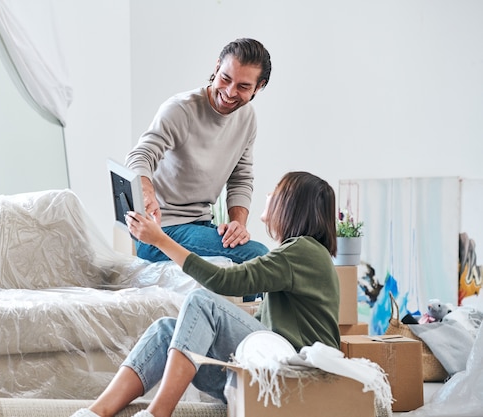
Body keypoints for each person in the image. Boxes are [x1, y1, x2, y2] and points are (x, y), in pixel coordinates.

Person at [70, 171, 341, 417]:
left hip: (293, 375)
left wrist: (161, 239)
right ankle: (96, 413)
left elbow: (224, 280)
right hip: (269, 369)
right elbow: (264, 323)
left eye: (277, 191)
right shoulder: (302, 255)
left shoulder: (303, 250)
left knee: (203, 302)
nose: (269, 195)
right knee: (167, 330)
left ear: (292, 204)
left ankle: (158, 413)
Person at [125, 38, 272, 270]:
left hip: (201, 225)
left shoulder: (247, 118)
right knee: (258, 257)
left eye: (243, 86)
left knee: (259, 261)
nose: (230, 92)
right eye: (225, 78)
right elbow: (141, 155)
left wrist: (237, 226)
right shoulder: (180, 109)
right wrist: (147, 193)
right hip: (160, 233)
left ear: (259, 87)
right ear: (216, 68)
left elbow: (241, 178)